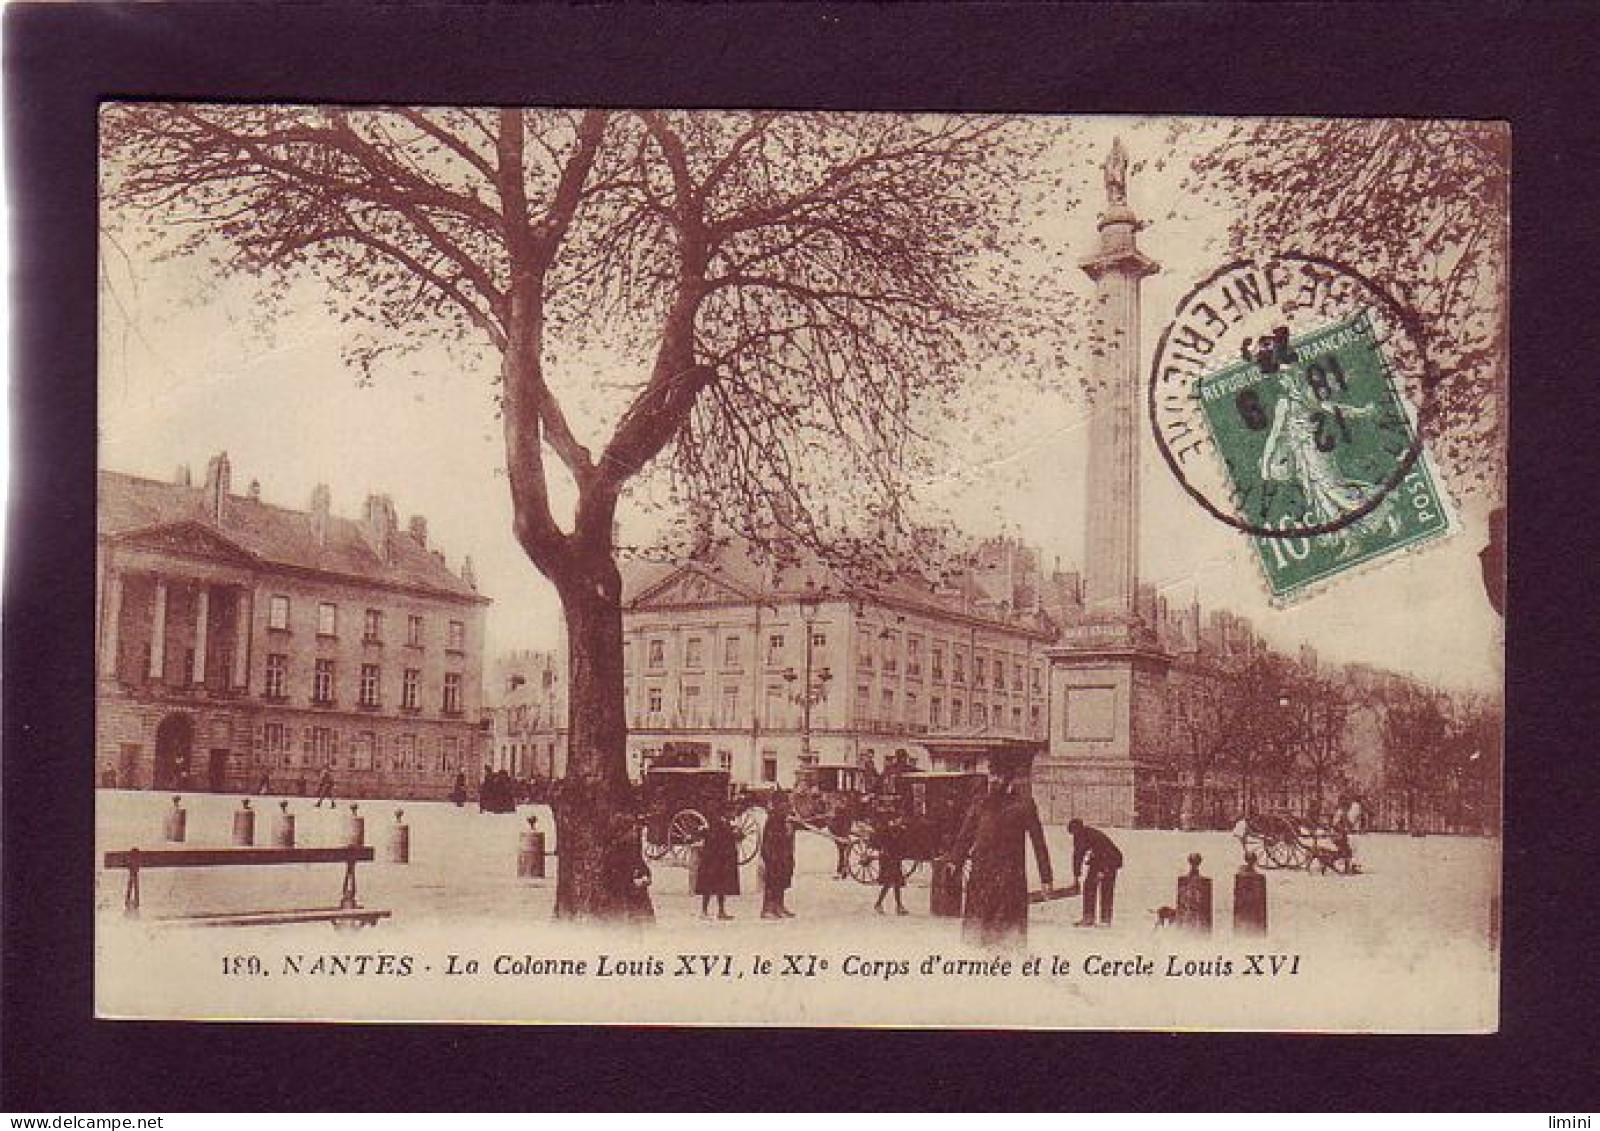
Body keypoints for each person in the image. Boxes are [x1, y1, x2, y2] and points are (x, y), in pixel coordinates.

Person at [947, 770, 1053, 946]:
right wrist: (954, 861)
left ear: (1009, 780)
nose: (994, 780)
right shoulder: (980, 803)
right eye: (992, 775)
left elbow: (1039, 842)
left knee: (1007, 935)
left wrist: (1046, 877)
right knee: (977, 934)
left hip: (1010, 878)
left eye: (999, 776)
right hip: (981, 876)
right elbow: (965, 835)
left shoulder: (1024, 805)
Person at [1067, 818, 1123, 927]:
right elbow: (1077, 855)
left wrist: (1102, 871)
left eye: (1073, 832)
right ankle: (1089, 918)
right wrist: (1076, 875)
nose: (1073, 835)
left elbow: (1105, 851)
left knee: (1106, 888)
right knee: (1089, 886)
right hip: (1098, 860)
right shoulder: (1080, 836)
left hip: (1110, 860)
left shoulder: (1091, 835)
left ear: (1078, 829)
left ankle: (1105, 920)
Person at [600, 813, 654, 924]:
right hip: (622, 889)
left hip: (633, 886)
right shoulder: (615, 852)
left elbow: (639, 861)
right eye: (631, 830)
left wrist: (645, 875)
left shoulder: (632, 846)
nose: (634, 833)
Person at [694, 805, 741, 920]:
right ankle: (705, 911)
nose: (733, 815)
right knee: (709, 887)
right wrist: (733, 832)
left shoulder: (723, 823)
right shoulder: (718, 823)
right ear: (726, 813)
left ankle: (720, 911)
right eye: (732, 813)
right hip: (713, 860)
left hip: (719, 860)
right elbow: (717, 837)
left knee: (720, 887)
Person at [760, 793, 799, 919]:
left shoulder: (785, 818)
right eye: (784, 804)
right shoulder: (773, 819)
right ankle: (767, 909)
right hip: (773, 855)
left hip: (784, 854)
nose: (787, 806)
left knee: (782, 881)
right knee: (772, 882)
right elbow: (771, 839)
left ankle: (779, 906)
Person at [872, 813, 909, 915]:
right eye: (898, 819)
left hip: (895, 859)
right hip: (887, 860)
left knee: (894, 883)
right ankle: (881, 904)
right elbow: (881, 844)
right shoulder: (885, 831)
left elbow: (903, 845)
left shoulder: (900, 831)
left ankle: (896, 905)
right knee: (889, 882)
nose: (900, 821)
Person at [828, 795, 855, 880]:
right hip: (842, 834)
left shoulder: (842, 812)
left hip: (841, 834)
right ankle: (843, 870)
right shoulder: (844, 811)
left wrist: (843, 835)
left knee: (842, 852)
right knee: (842, 852)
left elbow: (844, 824)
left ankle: (841, 870)